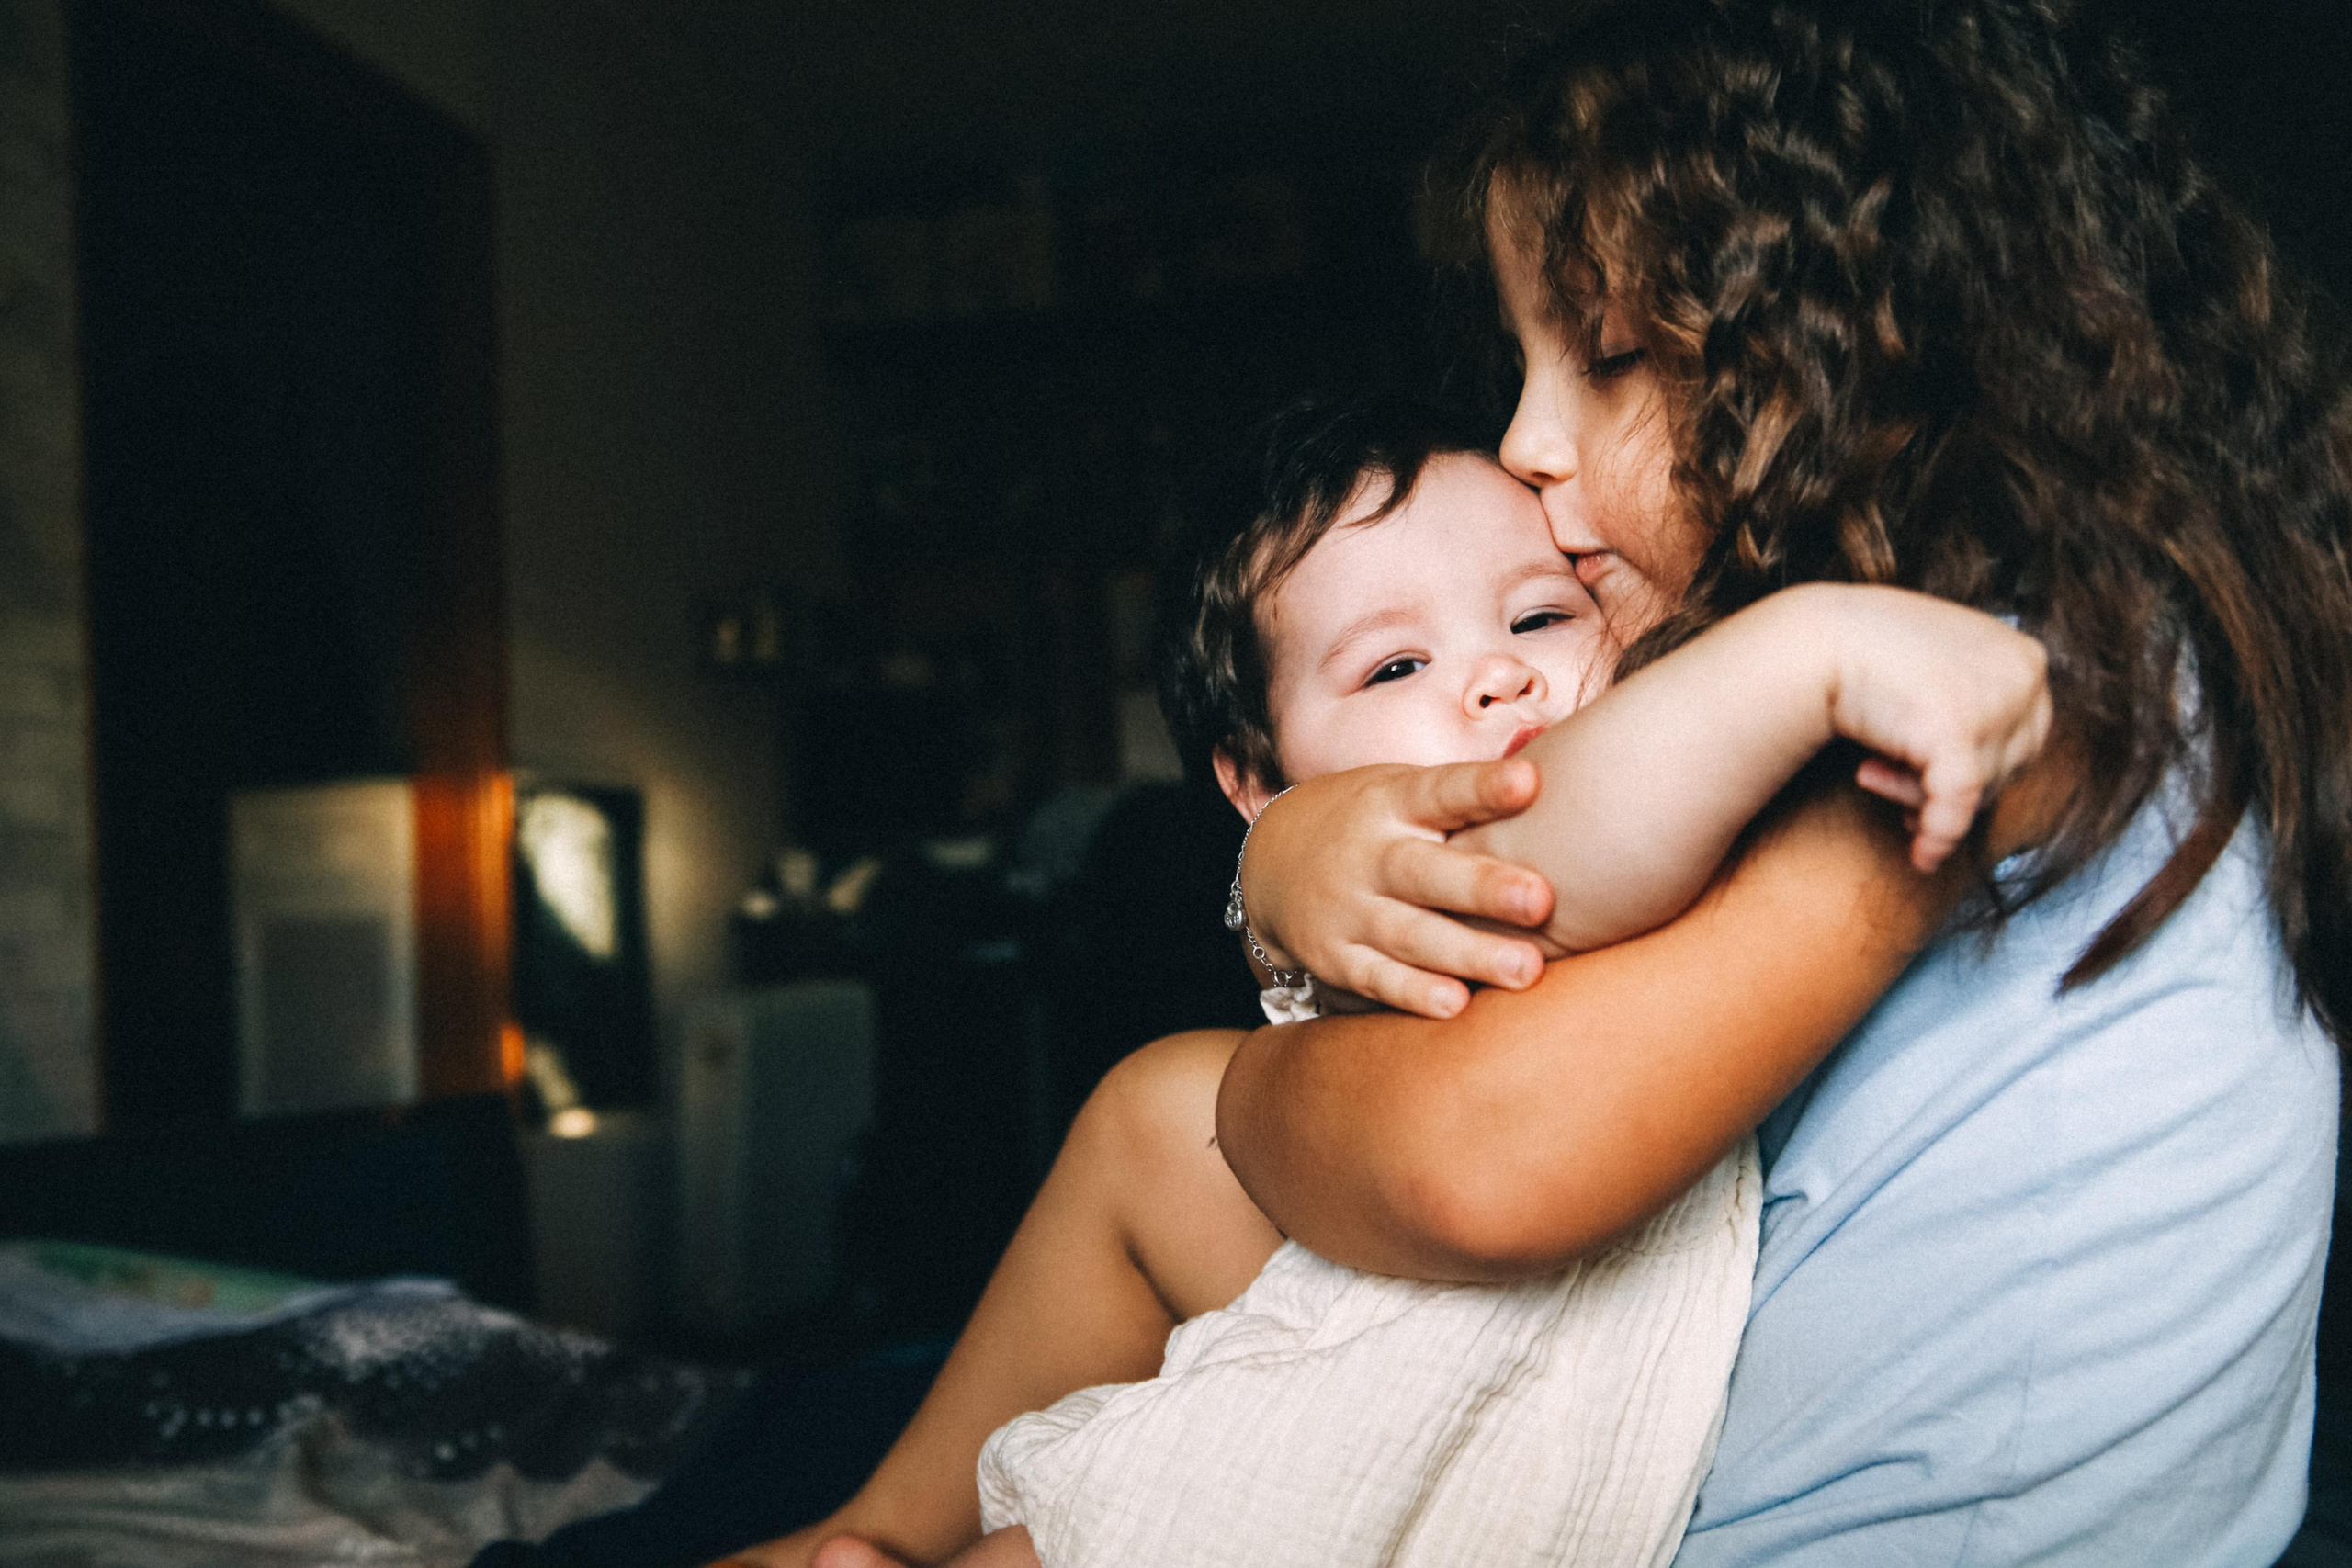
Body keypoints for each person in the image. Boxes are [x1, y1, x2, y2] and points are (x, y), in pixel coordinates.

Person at [940, 394, 2041, 1567]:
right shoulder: (1421, 885)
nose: (1498, 678)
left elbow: (1624, 809)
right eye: (1397, 664)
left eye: (1543, 614)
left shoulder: (1656, 813)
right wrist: (1821, 651)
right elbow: (1571, 840)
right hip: (1276, 1480)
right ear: (1263, 783)